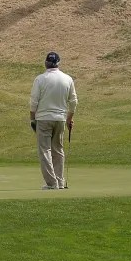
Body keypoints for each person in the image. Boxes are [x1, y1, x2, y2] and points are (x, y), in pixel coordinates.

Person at [29, 51, 78, 190]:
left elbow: (33, 102)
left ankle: (52, 183)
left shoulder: (40, 79)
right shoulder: (67, 79)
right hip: (60, 119)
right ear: (59, 63)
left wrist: (32, 119)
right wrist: (69, 119)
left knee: (45, 150)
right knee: (58, 149)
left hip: (43, 119)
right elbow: (73, 101)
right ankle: (60, 182)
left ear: (46, 63)